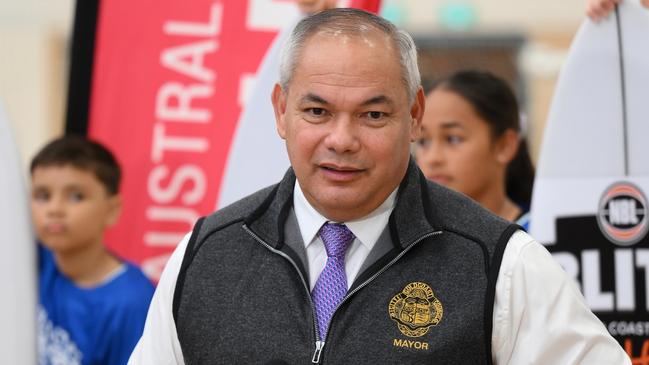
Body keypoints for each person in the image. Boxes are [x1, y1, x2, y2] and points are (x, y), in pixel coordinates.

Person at [129, 8, 630, 364]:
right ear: (281, 111)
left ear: (414, 114)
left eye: (373, 114)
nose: (342, 140)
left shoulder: (500, 264)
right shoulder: (207, 254)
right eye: (317, 111)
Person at [31, 136, 154, 365]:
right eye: (43, 196)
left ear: (112, 210)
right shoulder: (37, 260)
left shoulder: (132, 303)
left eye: (76, 196)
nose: (54, 209)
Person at [415, 70, 534, 230]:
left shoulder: (541, 238)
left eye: (453, 138)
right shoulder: (415, 239)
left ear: (504, 146)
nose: (433, 158)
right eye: (423, 141)